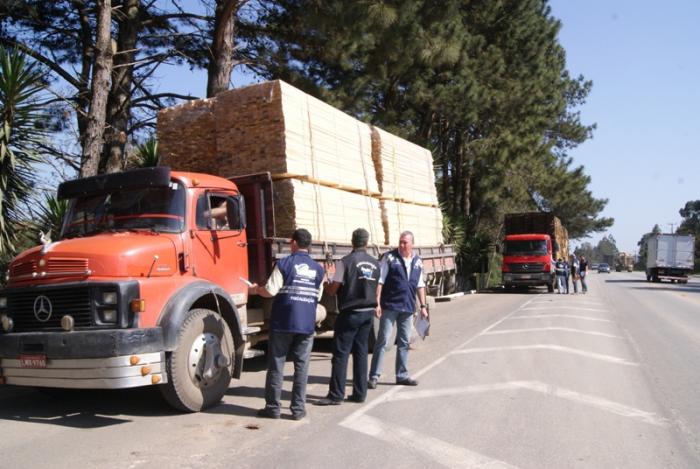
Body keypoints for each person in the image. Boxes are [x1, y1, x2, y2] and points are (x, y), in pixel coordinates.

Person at [249, 228, 324, 420]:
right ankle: (298, 410)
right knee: (302, 367)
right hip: (306, 324)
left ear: (294, 243)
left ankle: (273, 408)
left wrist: (257, 289)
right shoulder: (318, 270)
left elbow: (271, 291)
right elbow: (319, 295)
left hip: (283, 323)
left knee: (276, 365)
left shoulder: (284, 264)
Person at [315, 228, 380, 406]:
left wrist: (327, 280)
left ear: (352, 242)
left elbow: (333, 289)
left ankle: (336, 394)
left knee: (341, 354)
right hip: (367, 313)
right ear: (366, 243)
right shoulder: (375, 263)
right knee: (361, 353)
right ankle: (360, 394)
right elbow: (376, 287)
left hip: (350, 313)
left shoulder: (344, 262)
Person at [368, 231, 428, 389]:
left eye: (405, 243)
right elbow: (380, 281)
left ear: (412, 244)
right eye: (400, 242)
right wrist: (377, 303)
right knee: (383, 340)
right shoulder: (389, 258)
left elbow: (420, 285)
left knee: (403, 342)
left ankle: (401, 375)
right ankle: (374, 376)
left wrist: (423, 306)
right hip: (390, 306)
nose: (401, 245)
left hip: (408, 307)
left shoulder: (417, 261)